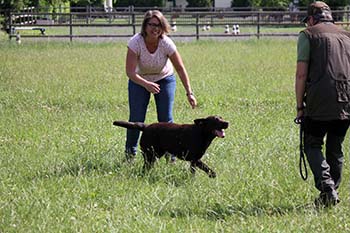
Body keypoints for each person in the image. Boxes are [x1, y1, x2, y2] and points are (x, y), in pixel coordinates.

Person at [295, 1, 350, 207]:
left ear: (311, 18)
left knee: (312, 144)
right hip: (346, 99)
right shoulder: (347, 35)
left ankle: (327, 187)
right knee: (336, 148)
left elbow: (301, 74)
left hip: (319, 99)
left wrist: (300, 106)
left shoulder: (308, 35)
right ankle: (330, 195)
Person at [124, 10, 197, 162]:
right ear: (145, 26)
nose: (155, 28)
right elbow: (130, 72)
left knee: (166, 119)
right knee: (136, 118)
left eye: (159, 25)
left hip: (165, 79)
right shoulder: (135, 42)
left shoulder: (166, 43)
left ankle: (171, 154)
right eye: (151, 24)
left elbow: (180, 68)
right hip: (139, 80)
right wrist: (146, 84)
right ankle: (130, 153)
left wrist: (189, 93)